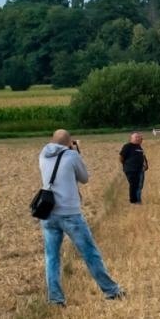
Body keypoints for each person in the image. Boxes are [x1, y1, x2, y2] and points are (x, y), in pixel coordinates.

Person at [38, 129, 123, 306]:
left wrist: (69, 148)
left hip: (47, 213)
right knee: (90, 253)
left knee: (52, 257)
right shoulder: (71, 155)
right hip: (69, 213)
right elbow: (84, 178)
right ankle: (111, 290)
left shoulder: (43, 154)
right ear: (69, 142)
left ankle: (55, 298)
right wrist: (75, 151)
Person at [119, 131, 149, 204]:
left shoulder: (139, 147)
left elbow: (143, 157)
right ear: (131, 138)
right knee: (134, 184)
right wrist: (127, 165)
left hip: (140, 169)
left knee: (139, 185)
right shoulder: (127, 146)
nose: (138, 138)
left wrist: (146, 165)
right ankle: (134, 201)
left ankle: (137, 200)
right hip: (131, 169)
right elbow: (121, 157)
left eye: (139, 137)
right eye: (136, 137)